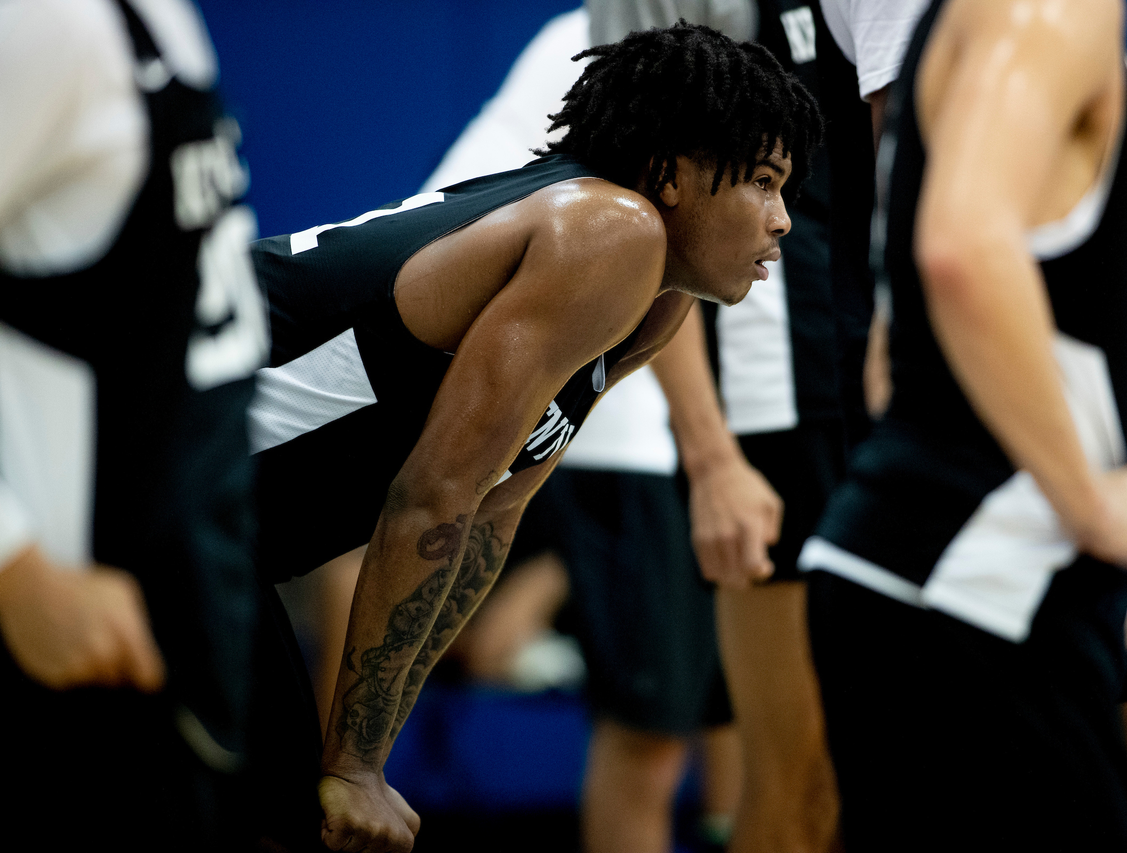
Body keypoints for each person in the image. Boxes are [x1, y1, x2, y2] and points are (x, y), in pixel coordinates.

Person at [244, 22, 821, 853]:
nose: (783, 221)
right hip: (133, 455)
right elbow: (433, 492)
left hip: (217, 522)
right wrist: (356, 765)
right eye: (763, 183)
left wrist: (361, 760)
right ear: (670, 175)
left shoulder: (658, 299)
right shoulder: (609, 231)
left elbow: (488, 519)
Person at [798, 0, 1127, 849]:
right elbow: (963, 252)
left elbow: (892, 351)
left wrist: (1103, 455)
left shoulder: (966, 25)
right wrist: (1089, 505)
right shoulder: (1046, 8)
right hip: (977, 575)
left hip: (940, 561)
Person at [0, 0, 266, 849]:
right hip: (67, 663)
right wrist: (14, 566)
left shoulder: (160, 21)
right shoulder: (48, 25)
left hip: (183, 618)